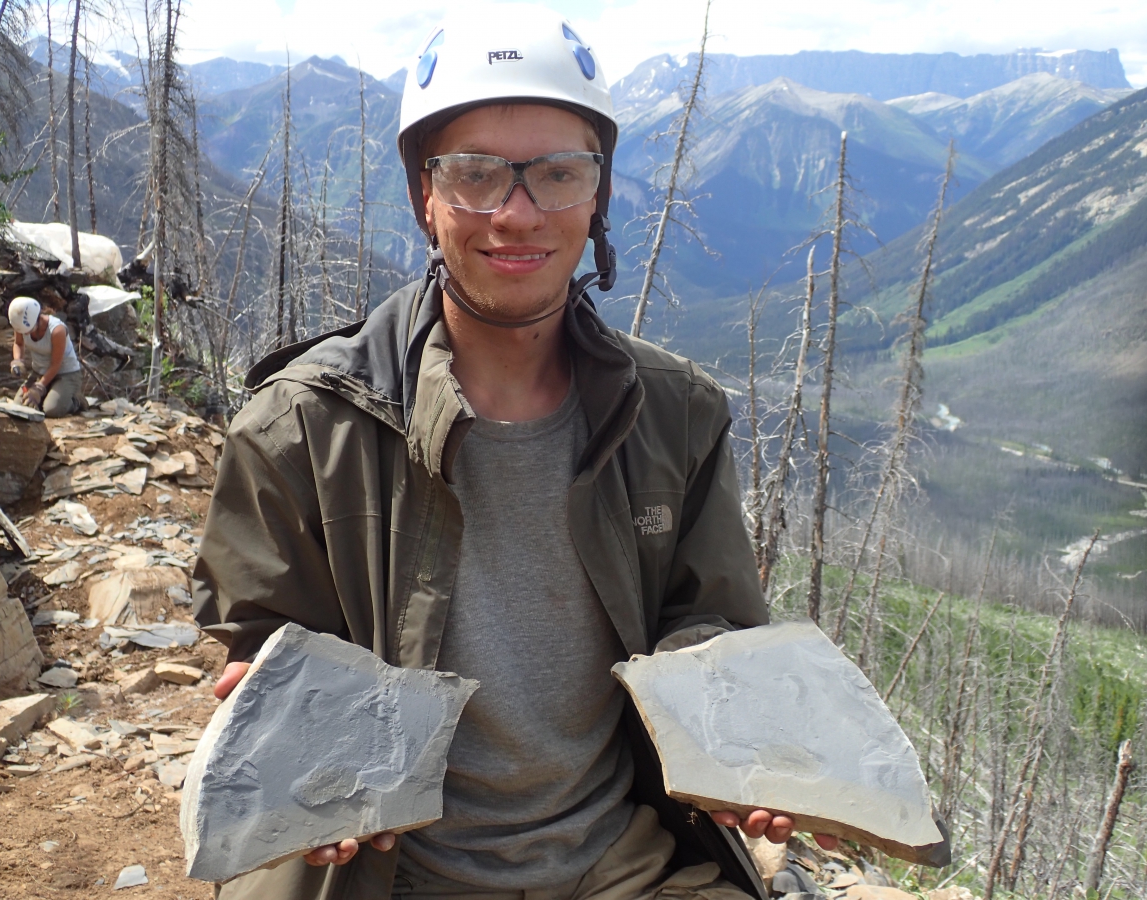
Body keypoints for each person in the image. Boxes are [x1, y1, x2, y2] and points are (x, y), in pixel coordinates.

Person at [194, 8, 836, 899]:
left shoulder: (675, 415)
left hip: (617, 861)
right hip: (387, 870)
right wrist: (274, 720)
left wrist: (729, 720)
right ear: (426, 194)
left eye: (558, 174)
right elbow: (264, 639)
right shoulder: (303, 425)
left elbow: (710, 618)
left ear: (599, 193)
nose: (516, 213)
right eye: (475, 175)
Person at [7, 296, 85, 417]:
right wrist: (17, 361)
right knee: (20, 405)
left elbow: (56, 364)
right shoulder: (22, 325)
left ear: (37, 319)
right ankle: (50, 393)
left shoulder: (56, 330)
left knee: (51, 410)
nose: (26, 334)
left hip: (65, 373)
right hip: (39, 372)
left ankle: (76, 401)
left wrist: (38, 388)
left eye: (28, 330)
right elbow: (18, 343)